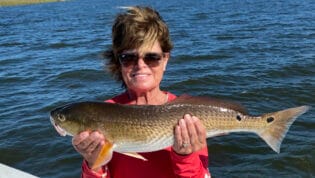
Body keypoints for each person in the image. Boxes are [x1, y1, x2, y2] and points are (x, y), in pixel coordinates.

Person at [72, 6, 211, 178]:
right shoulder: (100, 113)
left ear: (165, 60)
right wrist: (93, 164)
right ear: (117, 61)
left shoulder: (187, 116)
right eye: (128, 58)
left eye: (151, 57)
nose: (140, 65)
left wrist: (185, 157)